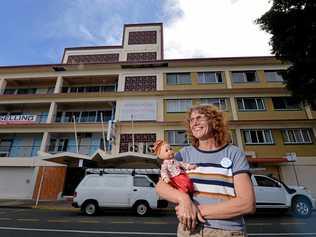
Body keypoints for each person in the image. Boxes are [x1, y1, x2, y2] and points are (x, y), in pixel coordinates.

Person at [155, 105, 255, 237]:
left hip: (226, 231)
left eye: (199, 118)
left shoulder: (234, 153)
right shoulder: (184, 154)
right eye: (191, 120)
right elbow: (161, 186)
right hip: (189, 230)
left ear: (214, 122)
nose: (194, 122)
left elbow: (247, 203)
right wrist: (184, 199)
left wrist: (197, 210)